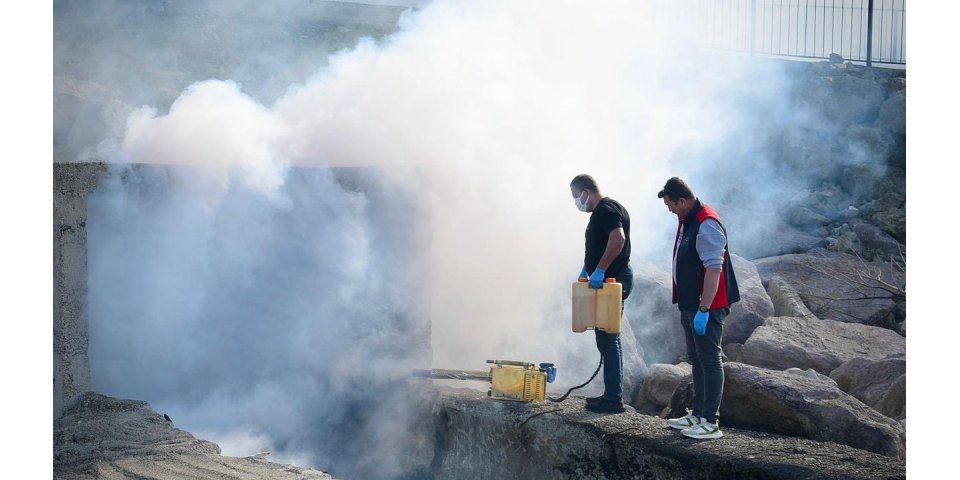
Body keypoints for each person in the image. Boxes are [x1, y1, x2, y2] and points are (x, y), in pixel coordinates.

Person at [658, 177, 740, 439]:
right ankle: (698, 412)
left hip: (707, 306)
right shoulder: (688, 219)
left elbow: (714, 269)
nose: (669, 210)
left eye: (671, 205)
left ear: (682, 201)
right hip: (690, 303)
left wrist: (705, 308)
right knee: (696, 357)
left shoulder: (706, 223)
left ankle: (710, 420)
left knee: (709, 358)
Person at [570, 174, 633, 414]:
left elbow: (618, 239)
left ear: (587, 191)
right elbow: (603, 243)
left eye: (576, 196)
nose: (577, 202)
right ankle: (610, 394)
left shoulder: (606, 209)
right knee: (604, 335)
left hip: (611, 280)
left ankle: (613, 398)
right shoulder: (606, 210)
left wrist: (600, 269)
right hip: (605, 279)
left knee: (608, 336)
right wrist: (588, 268)